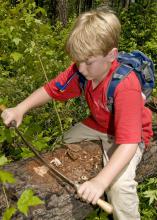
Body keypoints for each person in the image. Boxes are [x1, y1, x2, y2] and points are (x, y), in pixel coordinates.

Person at [1, 8, 153, 220]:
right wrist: (20, 108)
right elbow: (50, 89)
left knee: (119, 187)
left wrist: (100, 181)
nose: (81, 68)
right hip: (99, 124)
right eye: (78, 61)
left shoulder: (125, 86)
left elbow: (128, 144)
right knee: (63, 142)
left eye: (88, 62)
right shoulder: (83, 72)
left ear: (111, 55)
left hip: (131, 136)